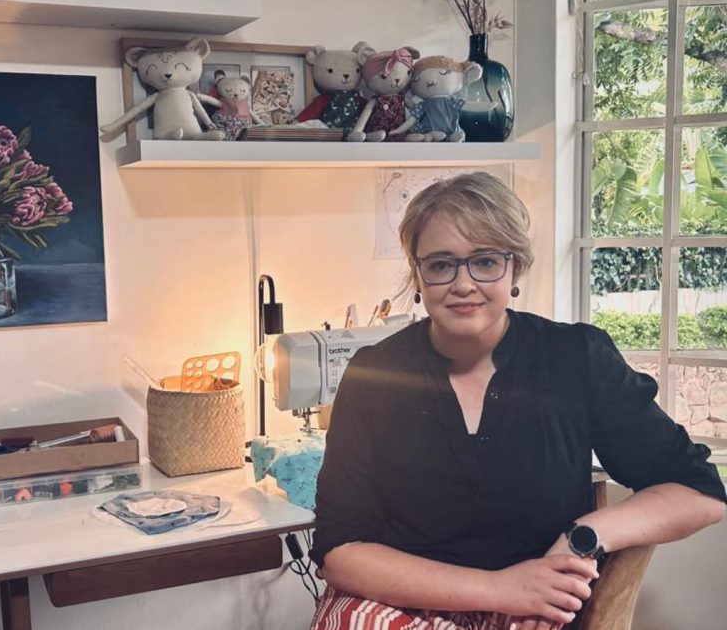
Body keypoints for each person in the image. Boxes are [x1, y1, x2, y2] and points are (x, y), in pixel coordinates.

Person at [309, 172, 725, 630]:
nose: (463, 284)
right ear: (418, 274)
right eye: (441, 265)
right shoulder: (373, 374)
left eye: (486, 261)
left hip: (534, 613)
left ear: (515, 269)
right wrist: (498, 589)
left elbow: (699, 493)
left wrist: (585, 535)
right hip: (396, 605)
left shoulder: (576, 358)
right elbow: (338, 551)